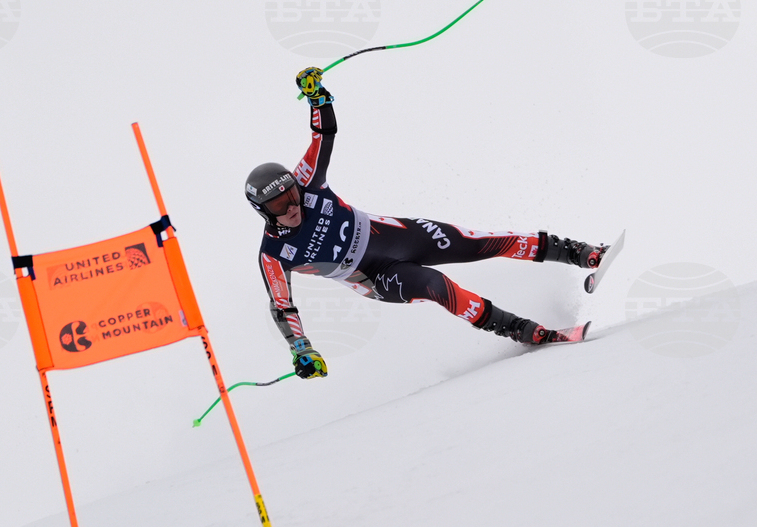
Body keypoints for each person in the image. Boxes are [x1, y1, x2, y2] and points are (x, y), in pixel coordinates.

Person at [246, 68, 607, 380]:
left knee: (479, 242)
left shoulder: (306, 182)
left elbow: (323, 137)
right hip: (376, 277)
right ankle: (526, 331)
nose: (292, 206)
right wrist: (302, 348)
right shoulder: (273, 255)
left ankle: (582, 254)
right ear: (264, 211)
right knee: (436, 285)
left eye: (292, 195)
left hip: (398, 236)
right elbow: (283, 305)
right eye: (279, 205)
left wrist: (318, 97)